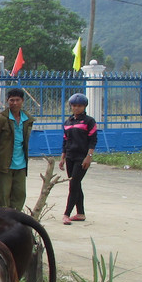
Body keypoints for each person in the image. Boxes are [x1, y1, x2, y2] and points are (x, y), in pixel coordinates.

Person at [0, 88, 35, 210]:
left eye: (17, 100)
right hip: (4, 165)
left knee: (20, 195)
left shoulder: (27, 119)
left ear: (22, 101)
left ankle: (16, 221)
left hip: (21, 164)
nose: (14, 103)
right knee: (3, 197)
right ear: (7, 101)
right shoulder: (1, 118)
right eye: (12, 100)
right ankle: (4, 223)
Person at [59, 93, 97, 225]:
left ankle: (66, 214)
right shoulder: (68, 122)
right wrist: (62, 158)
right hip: (70, 156)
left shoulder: (89, 121)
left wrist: (89, 157)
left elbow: (93, 140)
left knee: (73, 184)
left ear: (84, 106)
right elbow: (65, 140)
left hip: (82, 157)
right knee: (76, 184)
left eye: (79, 106)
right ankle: (80, 213)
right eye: (74, 105)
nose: (76, 108)